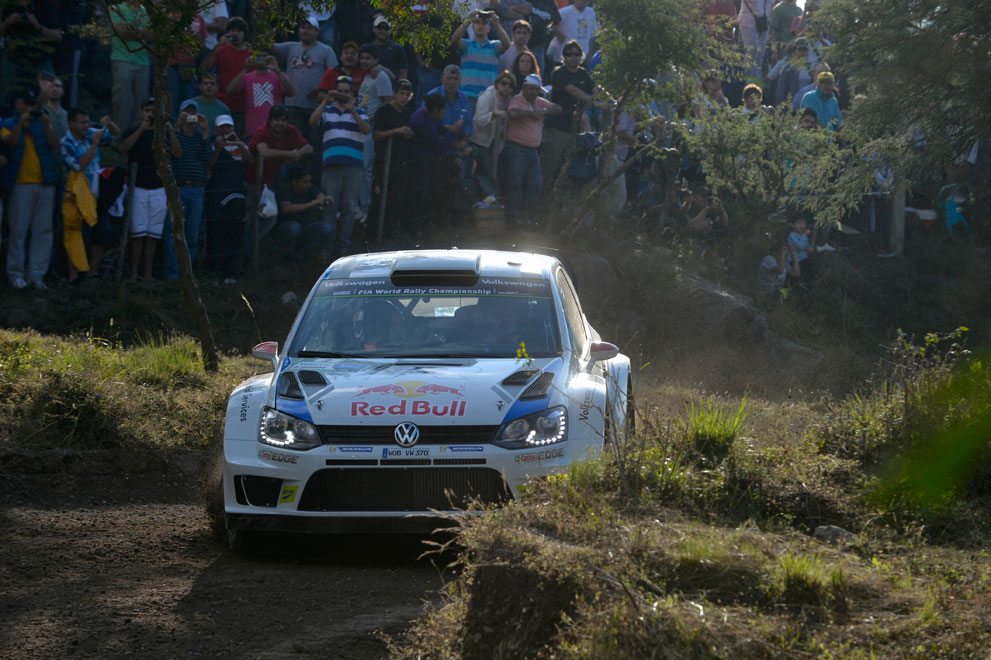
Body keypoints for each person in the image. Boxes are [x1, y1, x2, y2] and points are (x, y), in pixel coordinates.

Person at [1, 88, 61, 289]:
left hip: (45, 184)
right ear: (18, 104)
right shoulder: (8, 123)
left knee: (43, 231)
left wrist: (46, 124)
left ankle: (37, 275)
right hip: (20, 185)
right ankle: (16, 274)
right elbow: (10, 143)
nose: (30, 107)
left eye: (33, 104)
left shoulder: (41, 123)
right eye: (26, 103)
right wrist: (21, 122)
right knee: (18, 231)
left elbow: (55, 144)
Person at [116, 98, 181, 282]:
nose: (151, 113)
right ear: (141, 112)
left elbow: (177, 153)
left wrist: (170, 131)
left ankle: (148, 274)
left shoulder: (164, 133)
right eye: (147, 110)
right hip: (138, 188)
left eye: (154, 110)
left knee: (154, 233)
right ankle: (134, 273)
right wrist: (142, 129)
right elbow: (122, 149)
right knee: (137, 232)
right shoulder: (134, 131)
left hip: (159, 189)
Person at [309, 75, 371, 257]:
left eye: (346, 91)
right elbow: (312, 122)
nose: (343, 94)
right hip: (332, 164)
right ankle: (326, 248)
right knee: (330, 206)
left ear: (352, 93)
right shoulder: (327, 111)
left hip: (354, 165)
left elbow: (367, 130)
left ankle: (344, 247)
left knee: (349, 207)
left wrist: (353, 111)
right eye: (340, 91)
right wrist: (324, 102)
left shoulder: (360, 111)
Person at [60, 109, 121, 283]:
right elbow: (79, 166)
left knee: (101, 232)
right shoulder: (66, 143)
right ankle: (74, 275)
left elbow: (117, 135)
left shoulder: (90, 133)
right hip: (75, 194)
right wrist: (94, 145)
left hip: (95, 192)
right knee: (75, 234)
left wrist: (109, 124)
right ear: (71, 123)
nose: (86, 126)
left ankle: (92, 273)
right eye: (82, 122)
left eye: (88, 122)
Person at [542, 40, 598, 197]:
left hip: (576, 130)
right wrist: (593, 101)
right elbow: (573, 91)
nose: (573, 57)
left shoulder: (583, 74)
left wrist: (607, 99)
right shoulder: (558, 73)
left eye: (577, 54)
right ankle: (543, 203)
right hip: (557, 128)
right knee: (550, 168)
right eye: (569, 54)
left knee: (571, 171)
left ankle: (563, 204)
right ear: (564, 56)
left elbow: (596, 88)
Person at [164, 100, 214, 275]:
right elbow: (172, 154)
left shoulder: (201, 136)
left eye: (193, 113)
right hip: (178, 188)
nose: (190, 116)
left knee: (192, 233)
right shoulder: (173, 133)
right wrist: (177, 126)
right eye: (187, 112)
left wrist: (206, 130)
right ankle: (172, 273)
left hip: (197, 190)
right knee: (173, 232)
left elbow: (207, 156)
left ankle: (187, 273)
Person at [504, 74, 562, 225]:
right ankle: (513, 218)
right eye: (530, 89)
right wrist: (532, 114)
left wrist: (544, 111)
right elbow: (512, 113)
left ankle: (528, 217)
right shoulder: (517, 99)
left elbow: (558, 109)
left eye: (536, 89)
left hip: (533, 150)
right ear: (524, 88)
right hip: (516, 148)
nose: (533, 92)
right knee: (515, 184)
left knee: (535, 184)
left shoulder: (540, 101)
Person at [274, 17, 338, 141]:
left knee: (315, 141)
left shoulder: (326, 50)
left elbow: (335, 74)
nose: (305, 30)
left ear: (317, 32)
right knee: (295, 141)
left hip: (315, 106)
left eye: (309, 28)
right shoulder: (291, 47)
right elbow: (268, 46)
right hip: (292, 105)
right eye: (303, 27)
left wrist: (320, 88)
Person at [205, 114, 251, 284]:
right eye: (222, 127)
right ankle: (214, 271)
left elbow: (250, 160)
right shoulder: (211, 143)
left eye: (228, 127)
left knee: (235, 233)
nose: (226, 130)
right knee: (216, 233)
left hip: (237, 195)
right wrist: (219, 147)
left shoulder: (240, 145)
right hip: (218, 194)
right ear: (217, 129)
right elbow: (209, 165)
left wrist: (238, 142)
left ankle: (231, 272)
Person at [372, 78, 415, 239]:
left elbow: (409, 132)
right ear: (394, 94)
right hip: (383, 161)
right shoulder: (383, 111)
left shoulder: (408, 113)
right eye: (402, 93)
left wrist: (408, 134)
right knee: (379, 196)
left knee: (396, 198)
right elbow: (376, 135)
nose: (404, 97)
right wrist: (396, 131)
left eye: (407, 94)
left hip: (400, 161)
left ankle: (390, 232)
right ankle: (374, 233)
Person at [273, 161, 334, 259]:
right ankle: (283, 253)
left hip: (303, 227)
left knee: (325, 228)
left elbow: (320, 195)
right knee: (293, 227)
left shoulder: (309, 188)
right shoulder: (285, 190)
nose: (308, 184)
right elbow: (286, 208)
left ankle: (299, 255)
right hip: (284, 228)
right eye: (305, 182)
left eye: (309, 181)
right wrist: (311, 204)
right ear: (294, 182)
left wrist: (325, 199)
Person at [226, 53, 295, 138]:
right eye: (258, 56)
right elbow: (230, 90)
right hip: (253, 130)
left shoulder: (279, 75)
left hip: (276, 129)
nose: (261, 59)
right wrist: (245, 68)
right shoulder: (247, 77)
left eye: (264, 56)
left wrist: (277, 71)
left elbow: (291, 93)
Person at [451, 10, 510, 105]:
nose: (480, 26)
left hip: (487, 97)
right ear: (473, 27)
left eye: (484, 23)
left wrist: (496, 24)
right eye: (477, 23)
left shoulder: (494, 46)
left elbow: (507, 44)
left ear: (489, 28)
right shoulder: (466, 45)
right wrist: (468, 20)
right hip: (467, 95)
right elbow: (454, 39)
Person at [470, 71, 514, 200]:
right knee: (487, 173)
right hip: (480, 141)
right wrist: (493, 114)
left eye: (510, 85)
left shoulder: (507, 100)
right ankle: (490, 202)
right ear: (497, 84)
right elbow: (478, 121)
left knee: (487, 174)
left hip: (494, 143)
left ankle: (483, 203)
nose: (507, 87)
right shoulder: (488, 96)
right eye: (504, 83)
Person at [246, 104, 313, 188]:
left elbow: (309, 148)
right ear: (270, 121)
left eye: (283, 120)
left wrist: (298, 154)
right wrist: (289, 154)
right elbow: (264, 152)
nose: (280, 123)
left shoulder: (291, 130)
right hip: (253, 178)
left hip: (275, 177)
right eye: (276, 120)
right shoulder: (262, 132)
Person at [203, 17, 252, 132]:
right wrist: (218, 46)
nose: (235, 33)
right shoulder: (222, 50)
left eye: (239, 30)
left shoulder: (251, 54)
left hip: (243, 105)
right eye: (232, 30)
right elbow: (205, 67)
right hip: (222, 104)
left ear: (244, 33)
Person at [108, 0, 151, 131]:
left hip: (143, 62)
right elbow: (121, 32)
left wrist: (132, 30)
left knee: (142, 105)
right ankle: (119, 137)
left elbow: (153, 35)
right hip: (122, 59)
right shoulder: (116, 9)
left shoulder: (148, 12)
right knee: (122, 102)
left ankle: (136, 138)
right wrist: (142, 33)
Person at [427, 65, 474, 143]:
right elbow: (425, 124)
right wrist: (447, 130)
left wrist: (463, 139)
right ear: (442, 79)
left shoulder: (464, 98)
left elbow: (469, 125)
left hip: (460, 141)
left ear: (460, 81)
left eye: (455, 79)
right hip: (437, 141)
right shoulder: (431, 97)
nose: (452, 82)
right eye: (449, 78)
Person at [548, 0, 598, 67]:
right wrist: (560, 36)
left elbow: (593, 33)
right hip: (564, 57)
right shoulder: (565, 12)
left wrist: (590, 54)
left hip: (582, 58)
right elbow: (552, 25)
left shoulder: (591, 12)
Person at [182, 74, 231, 138]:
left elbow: (228, 133)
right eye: (206, 83)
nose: (209, 86)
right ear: (200, 86)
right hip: (190, 141)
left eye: (212, 84)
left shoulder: (224, 109)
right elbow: (181, 126)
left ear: (217, 87)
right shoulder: (188, 104)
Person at [364, 14, 408, 81]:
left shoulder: (398, 48)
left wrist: (400, 86)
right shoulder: (366, 47)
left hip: (392, 84)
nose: (383, 31)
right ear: (374, 29)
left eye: (386, 28)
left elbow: (403, 74)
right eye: (379, 28)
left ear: (390, 30)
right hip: (369, 84)